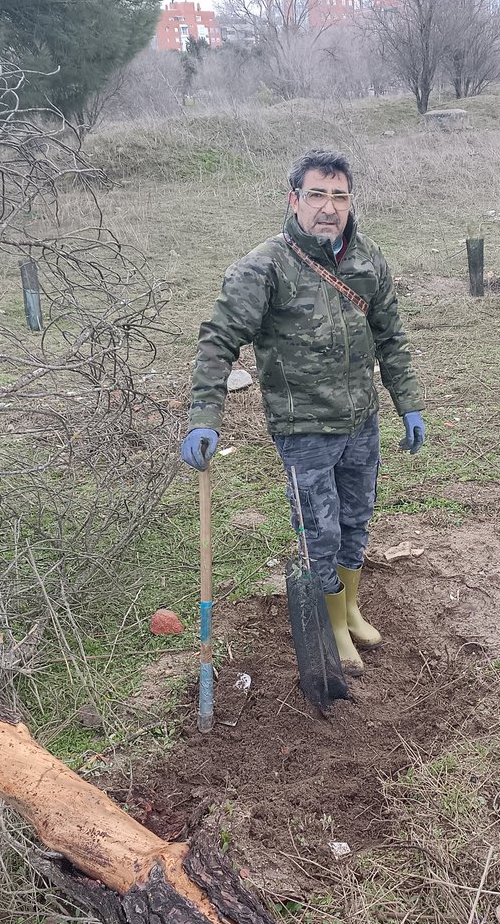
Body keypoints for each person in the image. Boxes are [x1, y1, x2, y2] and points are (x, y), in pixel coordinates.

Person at [180, 149, 425, 675]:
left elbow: (391, 337)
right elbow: (219, 340)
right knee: (321, 531)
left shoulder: (367, 259)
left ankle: (350, 609)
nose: (329, 207)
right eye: (317, 194)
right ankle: (331, 627)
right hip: (303, 429)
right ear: (295, 199)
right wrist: (205, 415)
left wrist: (409, 404)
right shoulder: (264, 267)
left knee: (357, 522)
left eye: (339, 196)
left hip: (361, 422)